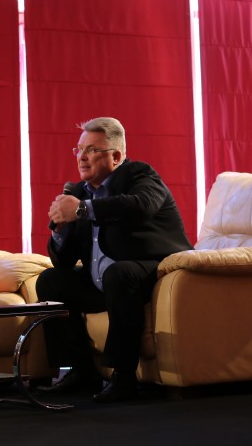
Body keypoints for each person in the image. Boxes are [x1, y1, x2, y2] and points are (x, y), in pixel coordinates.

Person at [37, 117, 192, 403]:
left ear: (116, 156)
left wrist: (82, 211)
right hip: (107, 284)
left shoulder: (140, 176)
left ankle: (124, 377)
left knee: (119, 274)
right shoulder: (81, 193)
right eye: (79, 150)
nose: (82, 157)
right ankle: (80, 371)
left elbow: (141, 206)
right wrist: (60, 230)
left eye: (91, 150)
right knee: (51, 281)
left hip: (152, 272)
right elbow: (63, 262)